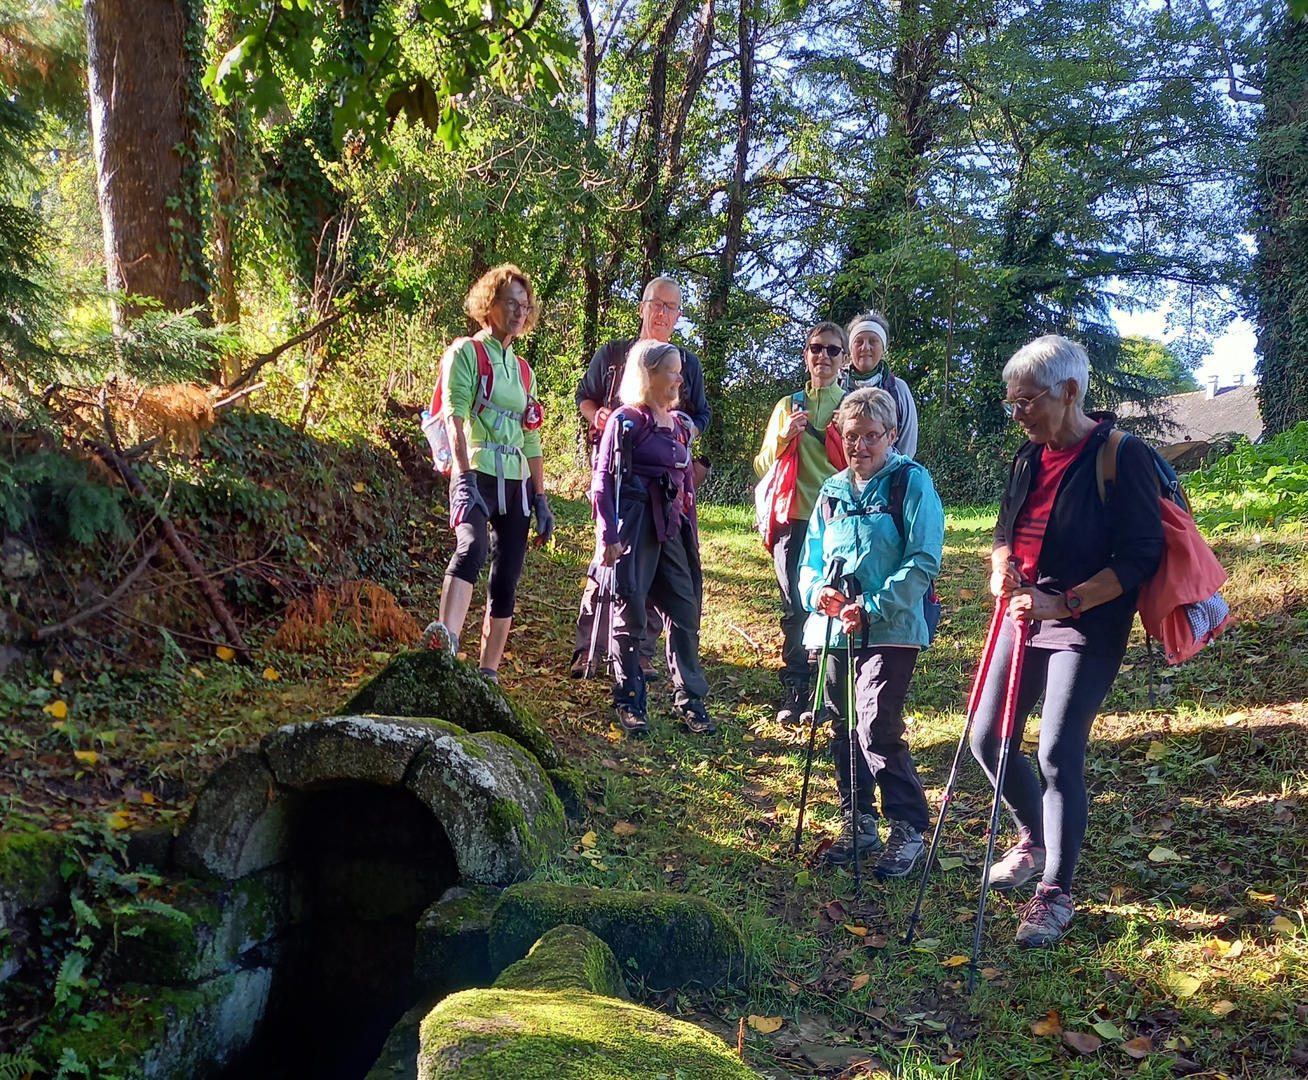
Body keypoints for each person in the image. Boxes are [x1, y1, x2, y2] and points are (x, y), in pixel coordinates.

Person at [971, 334, 1162, 946]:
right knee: (986, 738)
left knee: (1056, 753)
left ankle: (1055, 889)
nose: (1018, 412)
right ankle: (1034, 836)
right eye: (1012, 402)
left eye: (1027, 400)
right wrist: (1001, 565)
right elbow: (1006, 528)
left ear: (1070, 390)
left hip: (1086, 624)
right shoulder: (1028, 457)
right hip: (1021, 615)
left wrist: (1066, 601)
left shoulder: (1120, 455)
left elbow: (1139, 557)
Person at [797, 387, 944, 878]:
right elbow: (810, 561)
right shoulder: (832, 491)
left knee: (876, 724)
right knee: (842, 725)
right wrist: (817, 592)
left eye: (870, 437)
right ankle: (858, 820)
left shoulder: (911, 483)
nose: (859, 446)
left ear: (892, 435)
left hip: (893, 628)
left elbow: (923, 560)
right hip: (836, 629)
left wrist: (874, 607)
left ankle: (908, 826)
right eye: (851, 436)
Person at [570, 276, 712, 680]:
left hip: (666, 486)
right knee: (607, 558)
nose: (663, 314)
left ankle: (640, 652)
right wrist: (598, 416)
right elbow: (585, 395)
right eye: (657, 304)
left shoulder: (685, 364)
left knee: (657, 565)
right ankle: (589, 648)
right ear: (642, 307)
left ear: (679, 316)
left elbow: (701, 413)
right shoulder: (615, 355)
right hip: (617, 478)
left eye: (672, 308)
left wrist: (683, 431)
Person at [422, 264, 554, 681]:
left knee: (508, 574)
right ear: (489, 306)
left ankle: (488, 673)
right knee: (472, 547)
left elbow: (530, 435)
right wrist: (461, 480)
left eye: (524, 304)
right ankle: (445, 646)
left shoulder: (525, 370)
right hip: (476, 470)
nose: (519, 311)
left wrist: (541, 495)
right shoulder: (466, 352)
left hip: (515, 482)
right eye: (510, 303)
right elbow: (454, 419)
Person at [591, 340, 713, 736]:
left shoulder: (679, 425)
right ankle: (630, 700)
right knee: (631, 611)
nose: (680, 379)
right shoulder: (625, 421)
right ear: (649, 375)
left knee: (685, 610)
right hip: (635, 526)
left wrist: (690, 533)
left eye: (680, 371)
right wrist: (607, 534)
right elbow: (603, 481)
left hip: (672, 529)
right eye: (673, 371)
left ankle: (690, 700)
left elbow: (685, 487)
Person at [753, 322, 848, 724]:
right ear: (806, 355)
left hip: (837, 519)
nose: (822, 357)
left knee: (832, 604)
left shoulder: (853, 406)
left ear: (843, 359)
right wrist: (783, 438)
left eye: (832, 350)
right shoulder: (787, 405)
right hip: (792, 517)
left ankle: (827, 696)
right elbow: (761, 464)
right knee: (794, 606)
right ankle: (795, 690)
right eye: (815, 349)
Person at [842, 311, 918, 459]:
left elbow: (908, 442)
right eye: (859, 342)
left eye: (873, 341)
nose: (865, 347)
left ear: (883, 347)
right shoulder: (836, 385)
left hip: (890, 475)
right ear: (850, 348)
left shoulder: (898, 389)